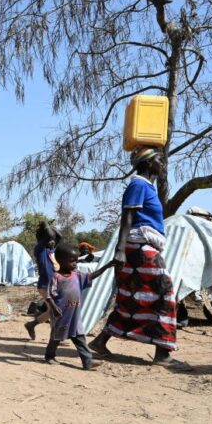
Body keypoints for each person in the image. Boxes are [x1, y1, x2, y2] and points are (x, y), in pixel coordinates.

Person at [88, 146, 180, 366]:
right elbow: (127, 217)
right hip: (139, 247)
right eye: (159, 160)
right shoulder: (138, 185)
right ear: (148, 163)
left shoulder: (146, 186)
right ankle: (162, 353)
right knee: (165, 294)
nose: (163, 164)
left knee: (131, 296)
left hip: (140, 247)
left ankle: (100, 342)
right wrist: (119, 250)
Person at [44, 243, 114, 369]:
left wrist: (107, 266)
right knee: (56, 337)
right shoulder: (56, 277)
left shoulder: (77, 275)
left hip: (74, 315)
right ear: (61, 261)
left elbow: (92, 275)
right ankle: (49, 356)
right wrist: (54, 309)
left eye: (76, 261)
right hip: (61, 314)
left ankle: (88, 361)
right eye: (72, 261)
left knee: (80, 338)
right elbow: (49, 296)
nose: (75, 263)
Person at [24, 221, 61, 340]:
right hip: (45, 285)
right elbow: (49, 236)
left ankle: (32, 325)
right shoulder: (40, 250)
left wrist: (52, 229)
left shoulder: (52, 251)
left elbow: (59, 237)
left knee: (53, 311)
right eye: (50, 239)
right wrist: (45, 226)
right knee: (55, 310)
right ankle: (55, 336)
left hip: (54, 285)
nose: (53, 241)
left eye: (53, 240)